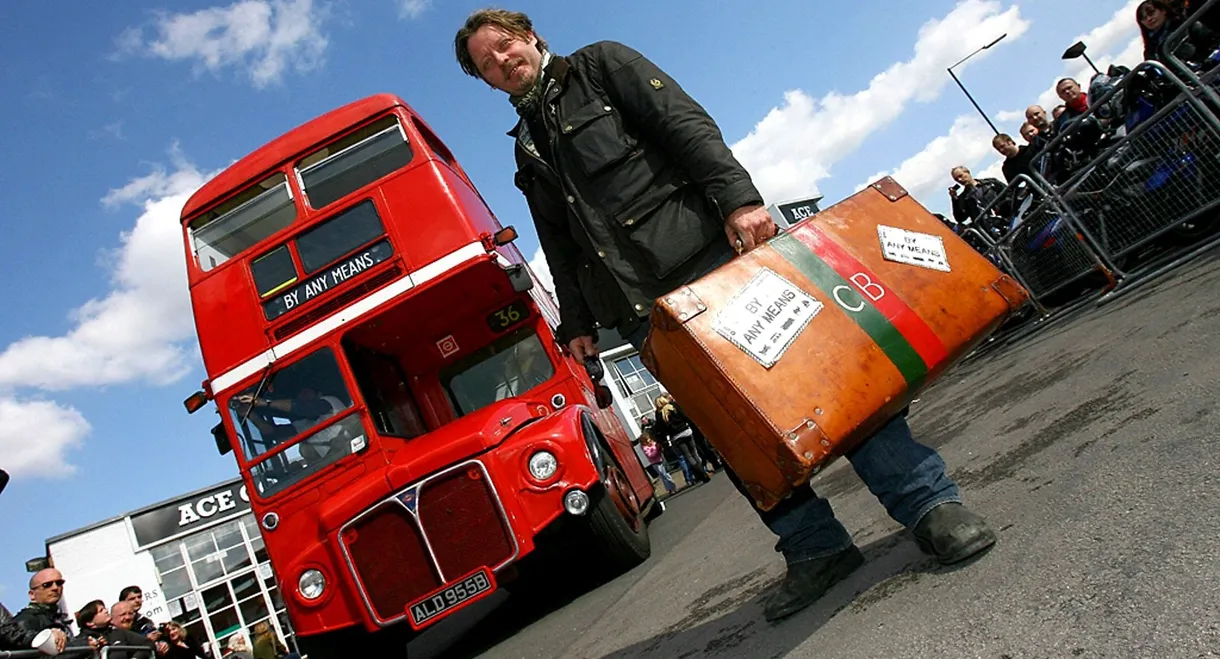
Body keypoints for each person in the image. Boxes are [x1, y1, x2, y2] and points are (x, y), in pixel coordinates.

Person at [454, 8, 997, 623]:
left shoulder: (603, 65)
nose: (501, 61)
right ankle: (817, 549)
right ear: (486, 82)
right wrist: (576, 322)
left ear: (529, 38)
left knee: (820, 383)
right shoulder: (528, 152)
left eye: (504, 46)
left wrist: (739, 200)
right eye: (485, 64)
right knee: (733, 432)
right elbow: (561, 244)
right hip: (644, 311)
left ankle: (929, 505)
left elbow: (685, 127)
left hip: (708, 264)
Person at [651, 395, 711, 485]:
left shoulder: (659, 414)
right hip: (686, 431)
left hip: (676, 437)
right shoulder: (673, 406)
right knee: (694, 453)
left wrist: (664, 438)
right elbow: (684, 416)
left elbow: (661, 429)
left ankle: (703, 475)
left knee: (688, 456)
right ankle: (703, 471)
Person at [10, 569, 71, 655]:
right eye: (47, 585)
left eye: (59, 583)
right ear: (32, 594)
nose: (55, 588)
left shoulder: (55, 616)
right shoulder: (26, 620)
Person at [69, 599, 154, 659]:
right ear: (90, 622)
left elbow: (147, 643)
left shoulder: (118, 633)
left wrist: (136, 658)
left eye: (105, 608)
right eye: (101, 611)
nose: (106, 611)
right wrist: (90, 647)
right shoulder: (80, 642)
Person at [639, 430, 677, 494]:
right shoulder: (645, 448)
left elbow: (658, 448)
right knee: (664, 476)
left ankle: (672, 487)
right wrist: (656, 450)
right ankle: (671, 488)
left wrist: (659, 448)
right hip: (655, 463)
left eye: (649, 438)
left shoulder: (653, 443)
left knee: (666, 475)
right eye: (647, 439)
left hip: (661, 460)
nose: (649, 440)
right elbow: (650, 455)